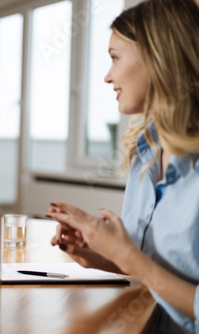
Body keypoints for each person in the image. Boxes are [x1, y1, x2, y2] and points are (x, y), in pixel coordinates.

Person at [48, 0, 199, 332]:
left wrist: (129, 258)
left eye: (115, 58)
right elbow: (158, 269)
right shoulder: (146, 150)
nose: (107, 76)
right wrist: (103, 255)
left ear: (159, 57)